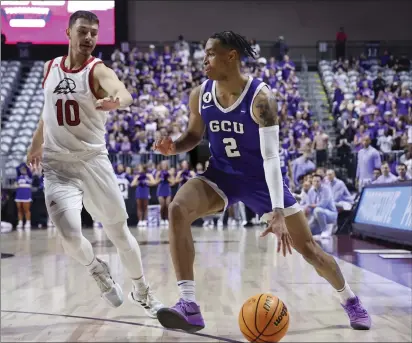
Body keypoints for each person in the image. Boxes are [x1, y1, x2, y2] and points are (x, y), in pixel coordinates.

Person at [153, 31, 371, 333]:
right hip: (221, 176)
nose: (203, 59)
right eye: (203, 53)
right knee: (177, 209)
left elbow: (271, 158)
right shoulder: (199, 94)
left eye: (211, 53)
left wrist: (278, 211)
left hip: (261, 181)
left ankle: (350, 299)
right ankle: (188, 305)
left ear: (231, 56)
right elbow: (193, 135)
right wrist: (174, 147)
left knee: (309, 250)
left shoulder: (261, 98)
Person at [26, 11, 163, 317]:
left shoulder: (96, 70)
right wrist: (36, 142)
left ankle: (142, 290)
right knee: (70, 237)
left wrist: (118, 101)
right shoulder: (49, 68)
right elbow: (47, 112)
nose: (89, 38)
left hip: (93, 163)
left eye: (93, 34)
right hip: (57, 166)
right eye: (83, 32)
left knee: (120, 234)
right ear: (68, 33)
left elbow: (122, 92)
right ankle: (97, 269)